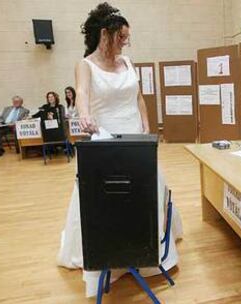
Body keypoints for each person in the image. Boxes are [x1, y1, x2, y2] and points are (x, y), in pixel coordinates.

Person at [56, 2, 183, 298]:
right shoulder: (84, 65)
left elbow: (138, 97)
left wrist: (148, 127)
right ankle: (110, 255)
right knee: (107, 199)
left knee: (148, 190)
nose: (126, 42)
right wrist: (85, 115)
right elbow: (83, 94)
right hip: (105, 137)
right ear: (105, 34)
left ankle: (147, 250)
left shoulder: (128, 62)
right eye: (121, 37)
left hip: (135, 136)